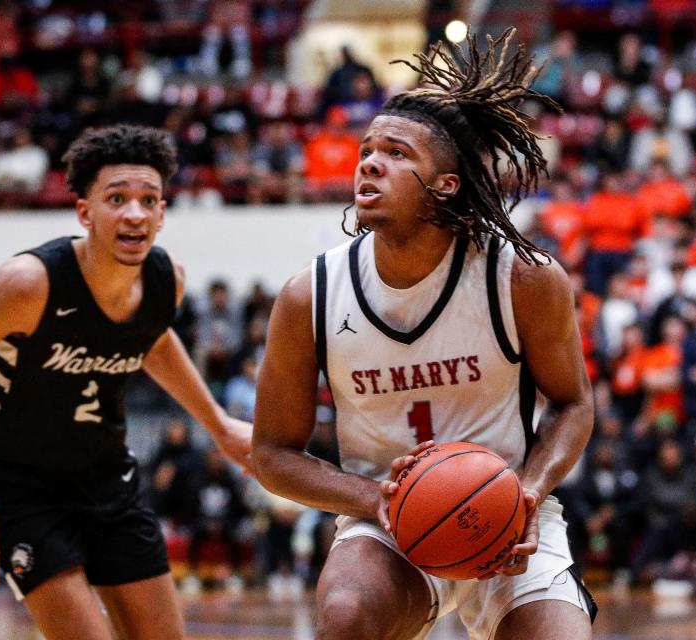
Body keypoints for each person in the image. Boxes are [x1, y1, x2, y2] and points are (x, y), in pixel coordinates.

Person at [253, 30, 596, 640]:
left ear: (445, 184)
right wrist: (373, 498)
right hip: (384, 523)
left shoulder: (522, 279)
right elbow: (273, 455)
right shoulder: (311, 295)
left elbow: (574, 405)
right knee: (346, 615)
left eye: (396, 153)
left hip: (510, 513)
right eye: (367, 150)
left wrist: (528, 490)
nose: (370, 162)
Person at [0, 124, 251, 640]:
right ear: (85, 213)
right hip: (23, 485)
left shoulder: (168, 281)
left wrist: (220, 425)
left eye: (148, 199)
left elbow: (155, 342)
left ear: (162, 214)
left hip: (108, 477)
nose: (134, 213)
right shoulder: (28, 284)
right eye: (116, 199)